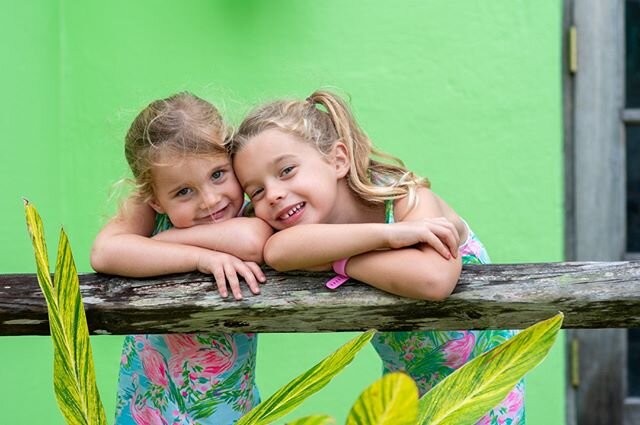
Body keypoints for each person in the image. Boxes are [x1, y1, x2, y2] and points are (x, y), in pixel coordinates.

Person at [228, 90, 525, 424]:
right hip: (406, 395)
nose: (274, 194)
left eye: (286, 171)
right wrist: (386, 237)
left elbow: (434, 279)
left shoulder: (407, 199)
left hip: (482, 392)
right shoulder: (360, 229)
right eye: (256, 191)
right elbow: (278, 252)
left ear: (337, 160)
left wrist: (341, 263)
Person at [90, 92, 272, 424]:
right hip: (150, 409)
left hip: (229, 408)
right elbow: (104, 252)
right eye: (184, 192)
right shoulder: (150, 204)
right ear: (156, 201)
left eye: (218, 174)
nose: (210, 200)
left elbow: (252, 241)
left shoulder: (249, 207)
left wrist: (167, 240)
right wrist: (201, 259)